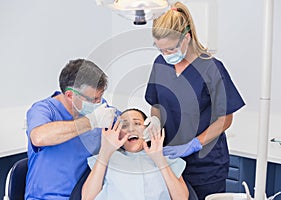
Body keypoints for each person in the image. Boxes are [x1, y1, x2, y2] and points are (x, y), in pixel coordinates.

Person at [145, 2, 245, 200]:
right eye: (160, 49)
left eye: (170, 49)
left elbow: (225, 120)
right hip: (170, 161)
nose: (166, 55)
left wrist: (194, 144)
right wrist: (154, 121)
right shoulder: (160, 64)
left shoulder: (212, 69)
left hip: (205, 167)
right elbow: (155, 103)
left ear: (186, 38)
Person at [25, 59, 117, 199]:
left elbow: (124, 123)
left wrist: (144, 127)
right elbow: (39, 137)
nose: (99, 103)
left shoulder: (98, 108)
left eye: (100, 98)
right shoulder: (44, 110)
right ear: (70, 95)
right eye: (93, 99)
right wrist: (91, 121)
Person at [82, 108, 189, 200]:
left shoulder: (166, 159)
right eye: (124, 125)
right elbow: (87, 198)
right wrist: (104, 152)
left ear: (148, 129)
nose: (131, 129)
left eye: (137, 123)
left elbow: (182, 198)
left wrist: (160, 160)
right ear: (117, 133)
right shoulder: (107, 158)